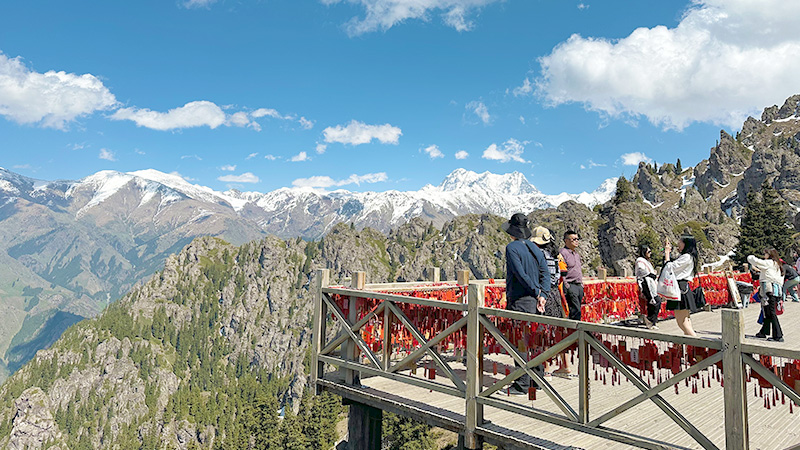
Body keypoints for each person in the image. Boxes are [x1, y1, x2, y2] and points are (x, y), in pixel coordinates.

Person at [503, 213, 550, 394]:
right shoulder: (535, 247)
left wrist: (535, 291)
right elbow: (545, 272)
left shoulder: (512, 248)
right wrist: (542, 293)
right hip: (536, 301)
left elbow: (519, 274)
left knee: (520, 341)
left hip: (520, 299)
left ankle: (522, 383)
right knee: (534, 340)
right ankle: (537, 380)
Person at [531, 226, 570, 378]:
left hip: (543, 294)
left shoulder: (538, 254)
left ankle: (545, 366)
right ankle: (565, 365)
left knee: (544, 330)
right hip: (555, 294)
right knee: (558, 330)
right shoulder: (555, 255)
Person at [664, 236, 699, 336]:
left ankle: (696, 345)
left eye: (680, 243)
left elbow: (669, 267)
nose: (678, 245)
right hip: (682, 288)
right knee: (686, 321)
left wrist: (667, 253)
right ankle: (692, 345)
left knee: (682, 323)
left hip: (680, 289)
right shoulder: (688, 256)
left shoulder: (687, 257)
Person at [748, 249, 784, 342]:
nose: (764, 255)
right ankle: (763, 332)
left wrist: (750, 256)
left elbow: (755, 261)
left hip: (768, 290)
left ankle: (778, 335)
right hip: (775, 290)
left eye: (765, 253)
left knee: (771, 312)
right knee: (767, 312)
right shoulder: (777, 264)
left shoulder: (769, 263)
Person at [635, 245, 661, 329]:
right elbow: (640, 270)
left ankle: (651, 321)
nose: (650, 253)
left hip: (651, 282)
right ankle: (650, 320)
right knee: (655, 300)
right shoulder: (640, 260)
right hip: (646, 283)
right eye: (648, 252)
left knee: (652, 302)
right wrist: (650, 274)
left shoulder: (646, 261)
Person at [560, 230, 583, 321]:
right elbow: (562, 271)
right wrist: (567, 286)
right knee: (574, 311)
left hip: (578, 286)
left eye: (577, 239)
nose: (576, 241)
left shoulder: (576, 254)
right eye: (573, 239)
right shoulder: (562, 253)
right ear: (566, 240)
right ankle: (574, 331)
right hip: (570, 285)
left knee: (578, 309)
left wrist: (581, 285)